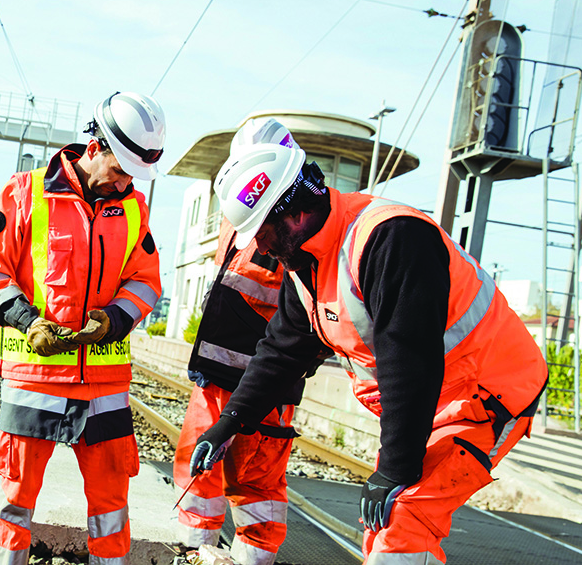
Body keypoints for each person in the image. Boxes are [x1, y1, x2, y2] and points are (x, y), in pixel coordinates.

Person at [192, 143, 548, 564]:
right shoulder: (306, 262)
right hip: (433, 397)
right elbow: (281, 352)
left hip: (484, 393)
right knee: (382, 526)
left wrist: (396, 468)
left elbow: (410, 359)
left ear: (294, 212)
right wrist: (230, 422)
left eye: (264, 235)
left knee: (403, 524)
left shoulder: (391, 239)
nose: (263, 250)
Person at [0, 91, 165, 565]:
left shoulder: (133, 210)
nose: (123, 184)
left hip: (104, 384)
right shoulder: (25, 192)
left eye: (132, 177)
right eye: (119, 171)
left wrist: (115, 319)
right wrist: (25, 319)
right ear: (94, 149)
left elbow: (146, 282)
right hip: (34, 379)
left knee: (112, 504)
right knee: (15, 498)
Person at [173, 118, 315, 565]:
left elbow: (299, 322)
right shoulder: (244, 214)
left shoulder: (300, 228)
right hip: (216, 374)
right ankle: (195, 552)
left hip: (265, 384)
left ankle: (251, 558)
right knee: (199, 468)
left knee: (255, 484)